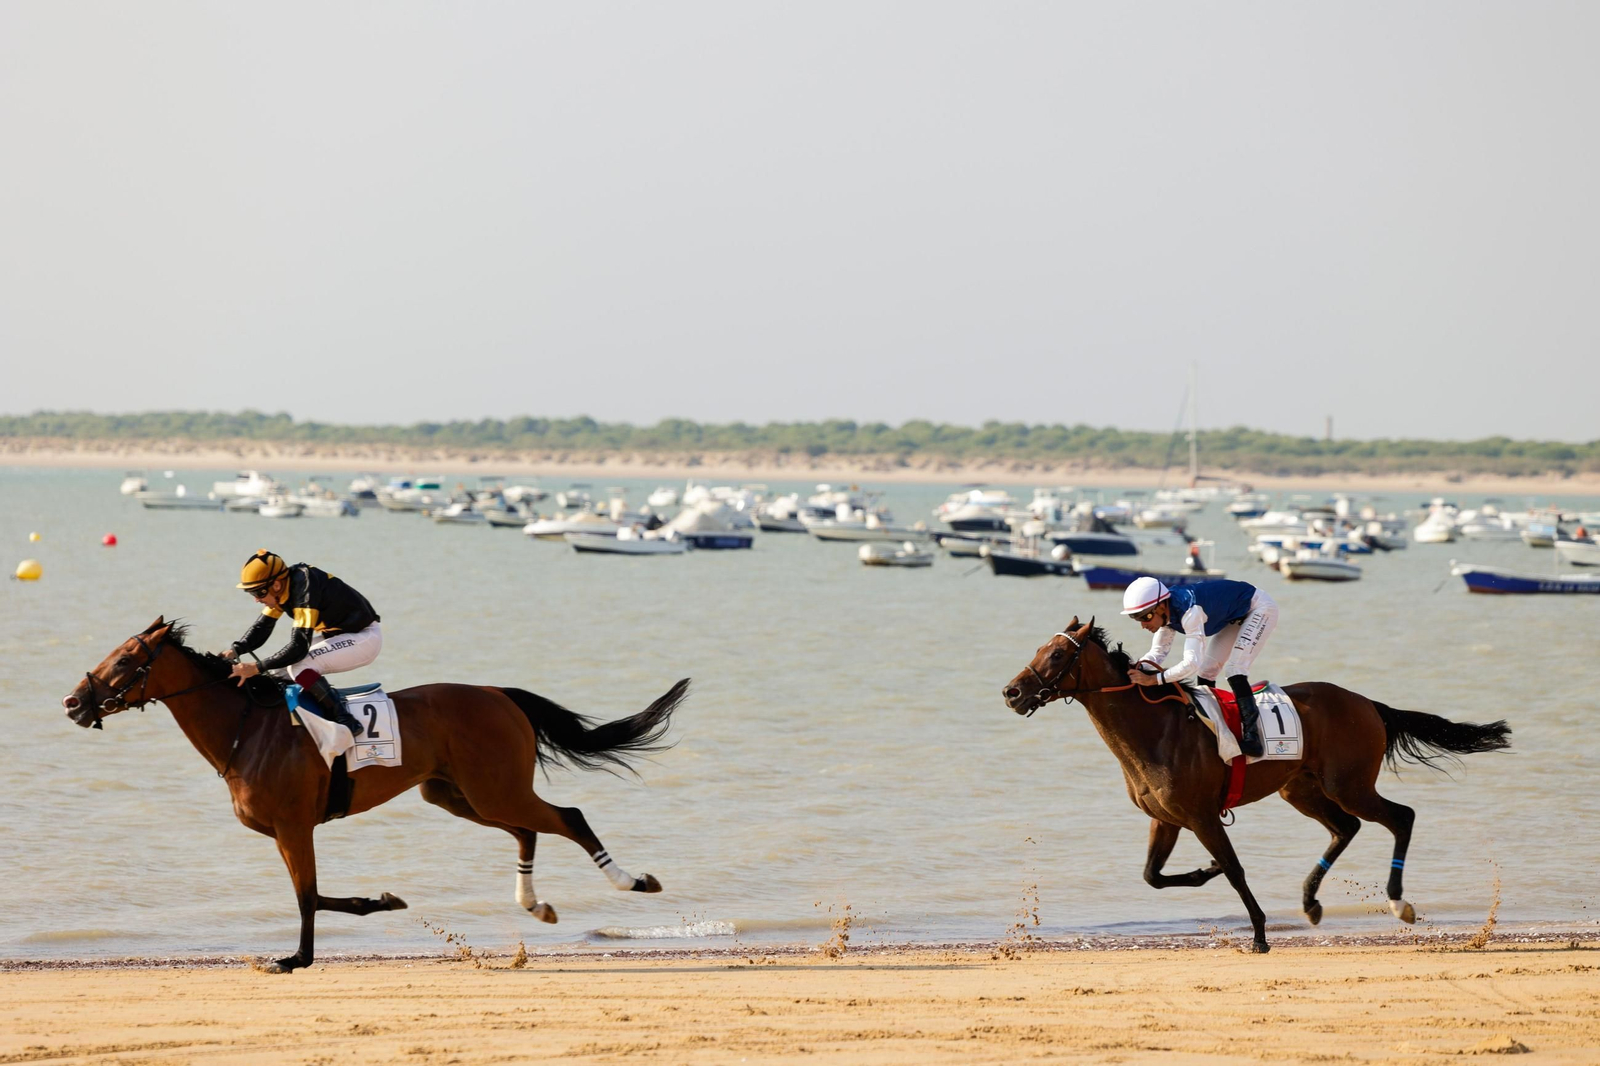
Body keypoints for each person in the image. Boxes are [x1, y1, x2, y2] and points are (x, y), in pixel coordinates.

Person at [224, 549, 381, 738]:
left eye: (258, 592)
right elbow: (262, 628)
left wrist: (256, 667)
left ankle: (345, 720)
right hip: (338, 635)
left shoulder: (304, 587)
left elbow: (298, 647)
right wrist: (234, 651)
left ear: (275, 585)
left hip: (363, 638)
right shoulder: (282, 588)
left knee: (300, 667)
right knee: (277, 672)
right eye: (251, 593)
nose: (256, 599)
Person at [1120, 576, 1278, 757]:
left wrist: (1154, 680)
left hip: (1259, 608)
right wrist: (1134, 668)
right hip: (1236, 613)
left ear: (1162, 606)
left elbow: (1191, 663)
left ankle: (1253, 739)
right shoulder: (1167, 614)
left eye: (1145, 617)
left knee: (1235, 670)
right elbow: (1158, 653)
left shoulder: (1190, 611)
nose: (1143, 625)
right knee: (1207, 671)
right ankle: (1212, 727)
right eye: (1136, 619)